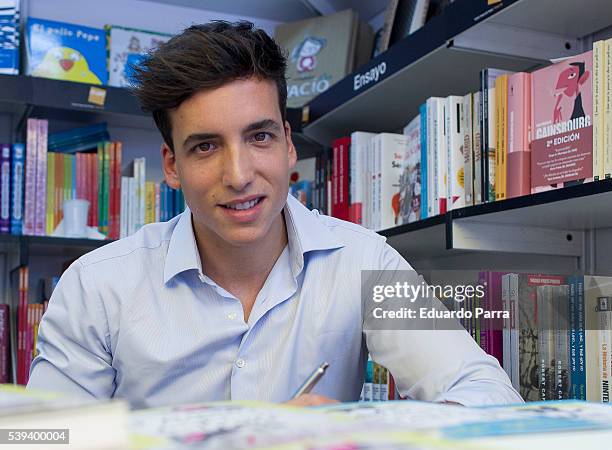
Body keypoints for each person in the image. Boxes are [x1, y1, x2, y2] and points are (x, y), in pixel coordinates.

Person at [28, 21, 522, 409]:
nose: (239, 175)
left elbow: (484, 392)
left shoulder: (364, 260)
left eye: (259, 136)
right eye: (205, 147)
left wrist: (369, 428)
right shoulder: (96, 286)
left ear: (288, 145)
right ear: (173, 166)